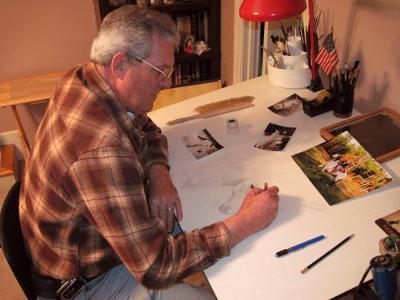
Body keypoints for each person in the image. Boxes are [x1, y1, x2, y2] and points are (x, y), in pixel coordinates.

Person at [19, 5, 280, 300]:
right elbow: (156, 267)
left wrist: (158, 173)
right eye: (161, 71)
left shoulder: (86, 78)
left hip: (96, 245)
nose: (168, 81)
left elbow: (148, 128)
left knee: (204, 218)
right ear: (120, 65)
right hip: (85, 284)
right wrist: (246, 221)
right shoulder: (101, 151)